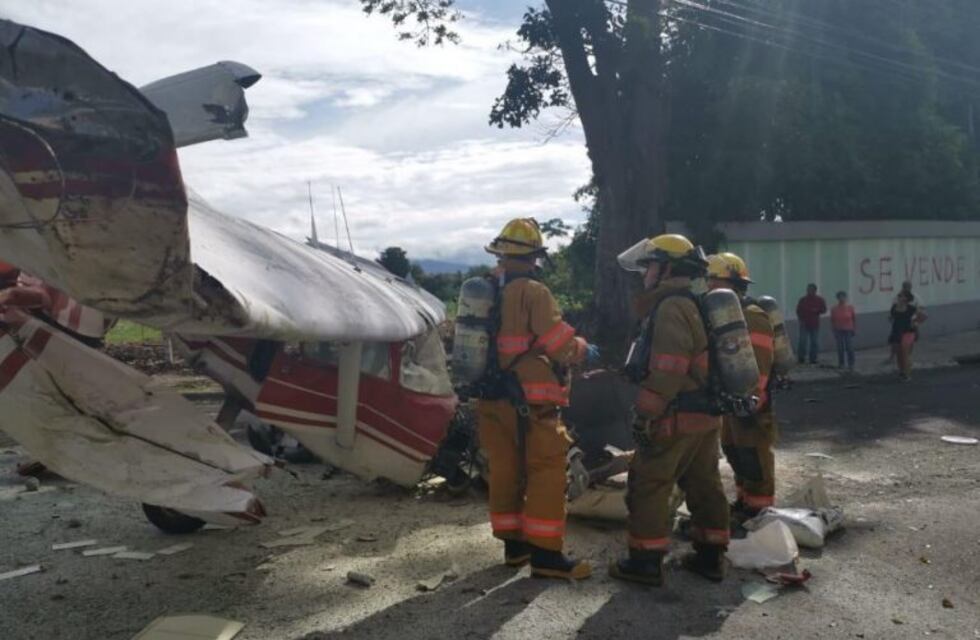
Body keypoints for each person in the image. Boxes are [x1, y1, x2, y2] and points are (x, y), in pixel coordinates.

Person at [478, 218, 598, 580]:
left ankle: (514, 548)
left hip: (491, 398)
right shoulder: (533, 292)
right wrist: (584, 349)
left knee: (505, 469)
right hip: (531, 401)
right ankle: (546, 555)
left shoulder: (484, 291)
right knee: (546, 471)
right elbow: (558, 345)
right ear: (534, 257)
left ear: (500, 254)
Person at [609, 234, 730, 587]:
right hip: (704, 415)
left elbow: (669, 368)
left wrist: (646, 413)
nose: (645, 274)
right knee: (704, 483)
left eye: (650, 266)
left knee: (649, 483)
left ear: (667, 269)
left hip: (677, 415)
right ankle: (710, 557)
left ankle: (644, 562)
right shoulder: (692, 303)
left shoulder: (671, 307)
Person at [706, 253, 779, 522]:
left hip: (752, 403)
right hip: (732, 400)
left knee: (754, 455)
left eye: (713, 280)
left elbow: (761, 362)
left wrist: (752, 399)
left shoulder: (753, 316)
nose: (708, 286)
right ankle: (744, 502)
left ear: (731, 282)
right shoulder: (727, 317)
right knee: (734, 450)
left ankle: (760, 510)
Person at [889, 291, 926, 381]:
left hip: (908, 332)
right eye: (899, 296)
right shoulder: (894, 307)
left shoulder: (911, 308)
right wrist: (892, 321)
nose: (899, 297)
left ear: (906, 298)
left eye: (901, 296)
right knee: (899, 354)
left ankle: (907, 374)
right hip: (897, 331)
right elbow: (892, 317)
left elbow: (923, 316)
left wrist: (915, 323)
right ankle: (902, 371)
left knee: (905, 352)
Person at [795, 284, 826, 365]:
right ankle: (801, 358)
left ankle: (813, 358)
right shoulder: (803, 300)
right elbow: (798, 310)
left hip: (814, 324)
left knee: (814, 342)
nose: (809, 291)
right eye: (808, 289)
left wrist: (816, 310)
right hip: (804, 323)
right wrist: (801, 319)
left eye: (811, 290)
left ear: (815, 290)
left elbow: (824, 309)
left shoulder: (819, 300)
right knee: (802, 341)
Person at [830, 291, 856, 371]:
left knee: (849, 347)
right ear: (837, 298)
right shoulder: (834, 308)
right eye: (840, 297)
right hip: (838, 330)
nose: (841, 299)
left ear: (845, 298)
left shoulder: (850, 307)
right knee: (840, 348)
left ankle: (851, 363)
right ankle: (841, 363)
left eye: (843, 297)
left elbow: (854, 318)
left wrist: (854, 329)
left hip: (848, 329)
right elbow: (832, 320)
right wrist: (833, 329)